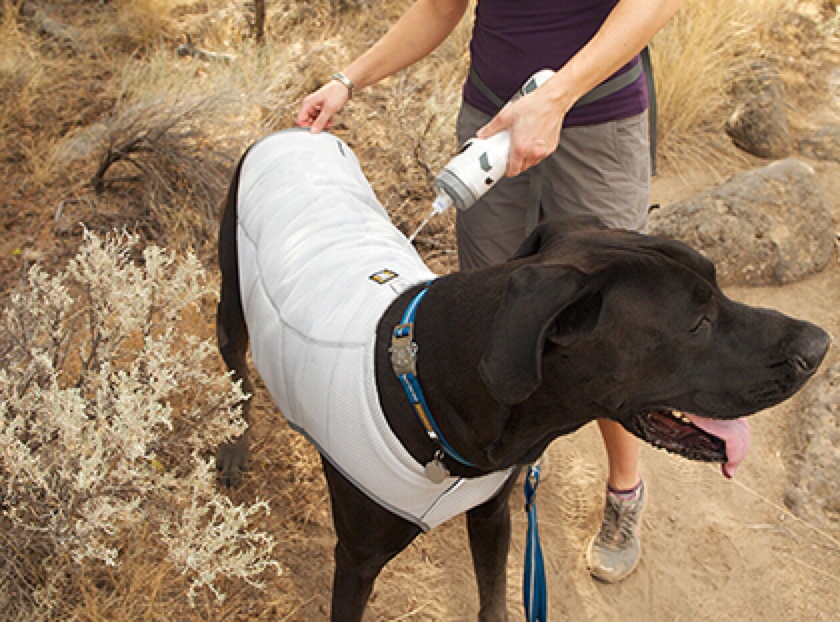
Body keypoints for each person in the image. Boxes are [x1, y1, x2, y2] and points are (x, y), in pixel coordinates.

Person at [297, 0, 682, 584]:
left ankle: (625, 491)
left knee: (613, 327)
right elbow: (437, 9)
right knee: (502, 312)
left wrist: (554, 98)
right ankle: (524, 451)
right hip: (492, 128)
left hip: (599, 122)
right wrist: (347, 80)